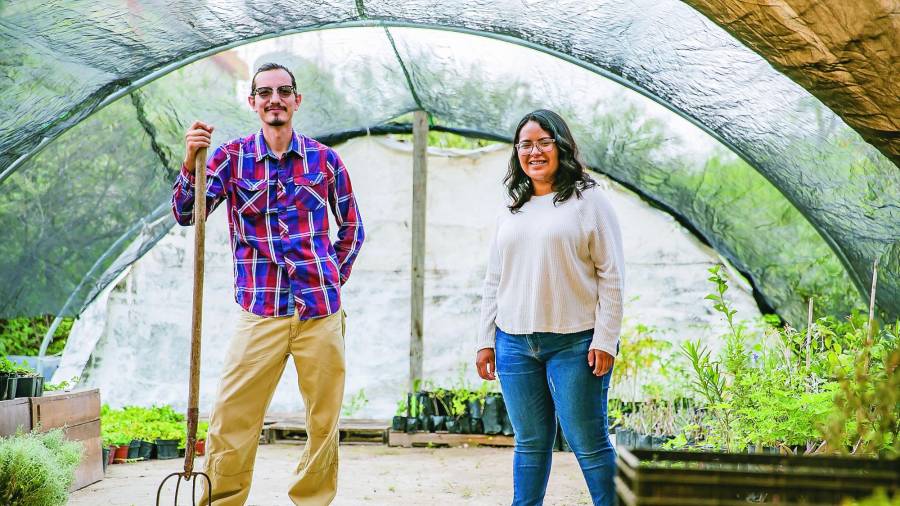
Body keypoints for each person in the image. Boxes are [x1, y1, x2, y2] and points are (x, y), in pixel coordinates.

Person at [172, 62, 365, 506]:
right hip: (260, 313)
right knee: (232, 416)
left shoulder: (325, 160)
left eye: (283, 91)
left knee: (323, 421)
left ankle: (312, 500)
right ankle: (221, 500)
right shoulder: (231, 158)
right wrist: (189, 161)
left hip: (320, 313)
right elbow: (186, 214)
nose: (274, 99)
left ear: (297, 100)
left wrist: (331, 278)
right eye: (265, 93)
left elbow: (353, 227)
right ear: (253, 102)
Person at [475, 109, 624, 506]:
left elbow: (612, 274)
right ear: (516, 151)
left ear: (561, 146)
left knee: (588, 441)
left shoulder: (589, 200)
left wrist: (605, 339)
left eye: (544, 142)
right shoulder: (513, 204)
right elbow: (494, 278)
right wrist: (485, 340)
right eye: (525, 144)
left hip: (576, 343)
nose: (534, 151)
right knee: (530, 442)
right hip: (513, 343)